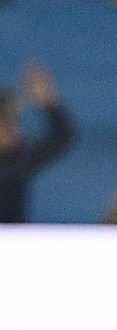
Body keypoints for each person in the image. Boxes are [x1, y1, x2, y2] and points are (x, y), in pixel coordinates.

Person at [0, 64, 75, 224]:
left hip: (13, 239)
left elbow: (63, 135)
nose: (9, 132)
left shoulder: (21, 155)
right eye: (4, 126)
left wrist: (48, 103)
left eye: (12, 125)